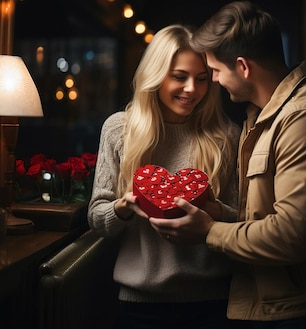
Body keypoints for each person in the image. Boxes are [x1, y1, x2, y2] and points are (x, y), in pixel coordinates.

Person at [149, 1, 306, 328]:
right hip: (285, 304)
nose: (212, 81)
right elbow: (267, 215)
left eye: (215, 70)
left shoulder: (304, 119)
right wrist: (219, 213)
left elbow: (290, 236)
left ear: (243, 66)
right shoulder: (263, 116)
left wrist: (209, 231)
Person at [87, 24, 241, 329]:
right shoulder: (119, 129)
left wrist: (212, 212)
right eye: (179, 77)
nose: (191, 90)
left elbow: (244, 219)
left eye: (201, 79)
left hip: (212, 303)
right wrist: (124, 207)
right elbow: (96, 216)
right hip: (139, 304)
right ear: (155, 76)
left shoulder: (226, 136)